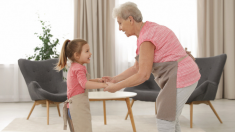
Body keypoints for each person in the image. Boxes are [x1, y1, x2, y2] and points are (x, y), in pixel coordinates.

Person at [103, 2, 201, 132]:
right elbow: (136, 68)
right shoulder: (146, 31)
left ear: (130, 19)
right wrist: (114, 79)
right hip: (181, 75)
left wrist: (116, 88)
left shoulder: (147, 38)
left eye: (120, 23)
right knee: (171, 118)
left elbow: (143, 75)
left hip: (181, 76)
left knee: (165, 119)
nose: (119, 28)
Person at [55, 39, 107, 132]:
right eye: (87, 51)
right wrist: (103, 85)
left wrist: (97, 80)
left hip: (72, 107)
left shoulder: (74, 66)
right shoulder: (79, 68)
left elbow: (81, 82)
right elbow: (84, 84)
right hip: (78, 107)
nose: (90, 53)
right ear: (77, 55)